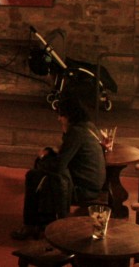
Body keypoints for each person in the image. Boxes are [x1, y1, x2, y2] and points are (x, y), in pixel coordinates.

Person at [11, 96, 106, 240]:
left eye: (61, 115)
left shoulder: (76, 133)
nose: (59, 119)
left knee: (34, 176)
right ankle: (38, 223)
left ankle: (31, 225)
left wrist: (42, 159)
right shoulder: (88, 127)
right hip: (93, 181)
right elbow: (67, 152)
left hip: (84, 188)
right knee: (41, 175)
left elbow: (60, 165)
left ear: (69, 115)